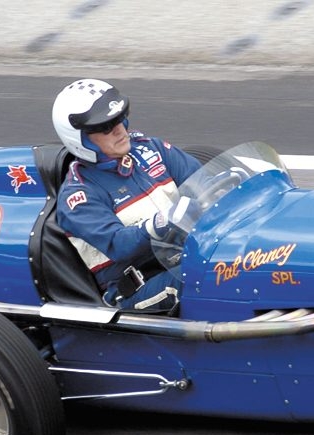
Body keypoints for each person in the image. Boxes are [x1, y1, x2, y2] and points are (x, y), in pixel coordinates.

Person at [51, 78, 202, 313]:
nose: (120, 130)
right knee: (214, 278)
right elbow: (118, 244)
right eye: (105, 127)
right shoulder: (79, 195)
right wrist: (160, 223)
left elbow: (202, 182)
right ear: (80, 139)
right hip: (137, 287)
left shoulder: (151, 149)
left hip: (186, 255)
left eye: (119, 119)